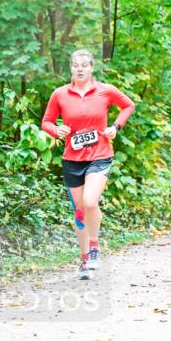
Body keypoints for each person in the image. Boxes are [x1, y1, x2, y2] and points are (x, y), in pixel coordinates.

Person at [42, 49, 135, 279]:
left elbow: (128, 106)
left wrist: (116, 127)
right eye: (75, 65)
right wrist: (56, 130)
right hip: (72, 159)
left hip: (100, 155)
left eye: (84, 65)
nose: (80, 69)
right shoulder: (60, 94)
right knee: (80, 211)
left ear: (92, 67)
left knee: (90, 202)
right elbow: (46, 122)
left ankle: (94, 247)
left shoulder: (105, 91)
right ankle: (84, 260)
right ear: (71, 68)